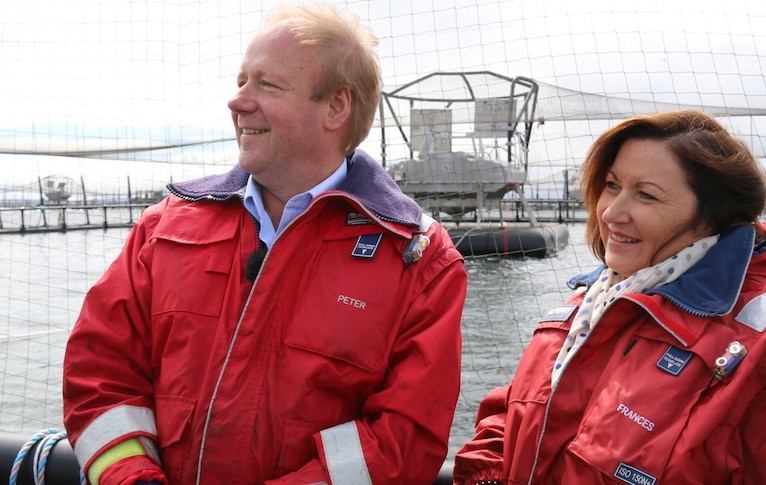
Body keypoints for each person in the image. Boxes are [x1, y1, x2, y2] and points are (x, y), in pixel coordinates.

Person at [63, 3, 467, 485]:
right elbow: (100, 373)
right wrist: (133, 479)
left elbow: (403, 440)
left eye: (266, 85)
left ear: (335, 107)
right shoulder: (163, 228)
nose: (238, 102)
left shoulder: (419, 261)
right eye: (241, 82)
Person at [453, 109, 766, 485]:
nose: (611, 212)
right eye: (612, 186)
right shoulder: (589, 306)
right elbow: (512, 420)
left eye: (646, 195)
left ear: (713, 215)